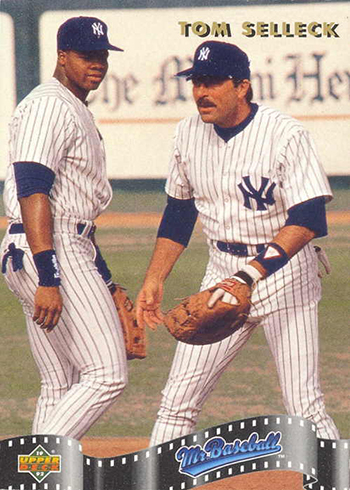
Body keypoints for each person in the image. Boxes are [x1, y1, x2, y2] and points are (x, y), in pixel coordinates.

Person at [136, 40, 340, 445]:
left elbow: (309, 219)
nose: (200, 92)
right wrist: (155, 277)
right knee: (177, 401)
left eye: (211, 82)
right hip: (220, 273)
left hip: (285, 277)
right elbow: (179, 213)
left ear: (242, 86)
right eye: (196, 82)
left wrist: (249, 275)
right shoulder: (187, 134)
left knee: (304, 405)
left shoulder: (284, 134)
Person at [0, 16, 128, 440]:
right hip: (48, 248)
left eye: (102, 55)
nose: (97, 63)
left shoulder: (71, 106)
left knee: (60, 383)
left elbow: (78, 216)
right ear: (61, 56)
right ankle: (25, 468)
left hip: (50, 246)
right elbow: (33, 190)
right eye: (86, 55)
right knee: (107, 375)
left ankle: (42, 480)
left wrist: (108, 283)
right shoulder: (49, 105)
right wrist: (49, 275)